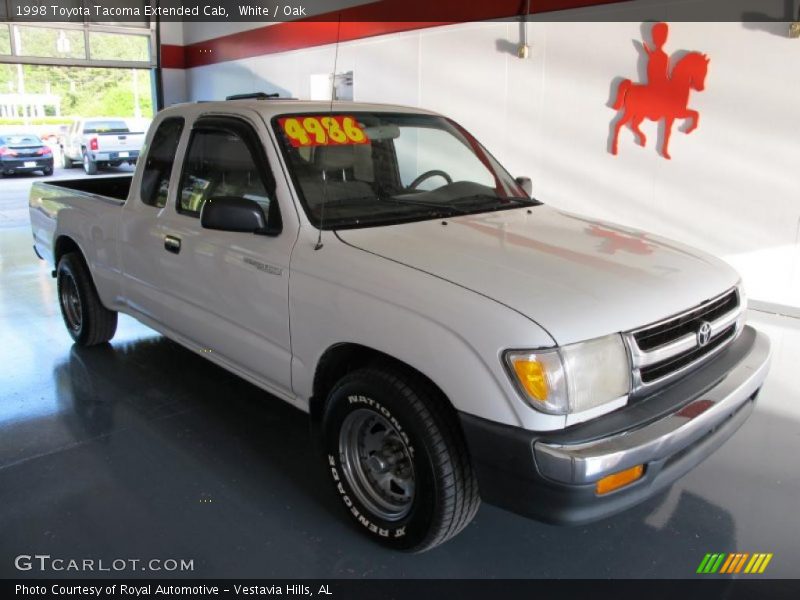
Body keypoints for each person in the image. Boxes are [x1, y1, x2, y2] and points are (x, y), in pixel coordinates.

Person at [644, 22, 670, 92]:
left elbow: (661, 74)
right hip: (656, 84)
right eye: (655, 37)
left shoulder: (663, 56)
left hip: (659, 83)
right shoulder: (663, 56)